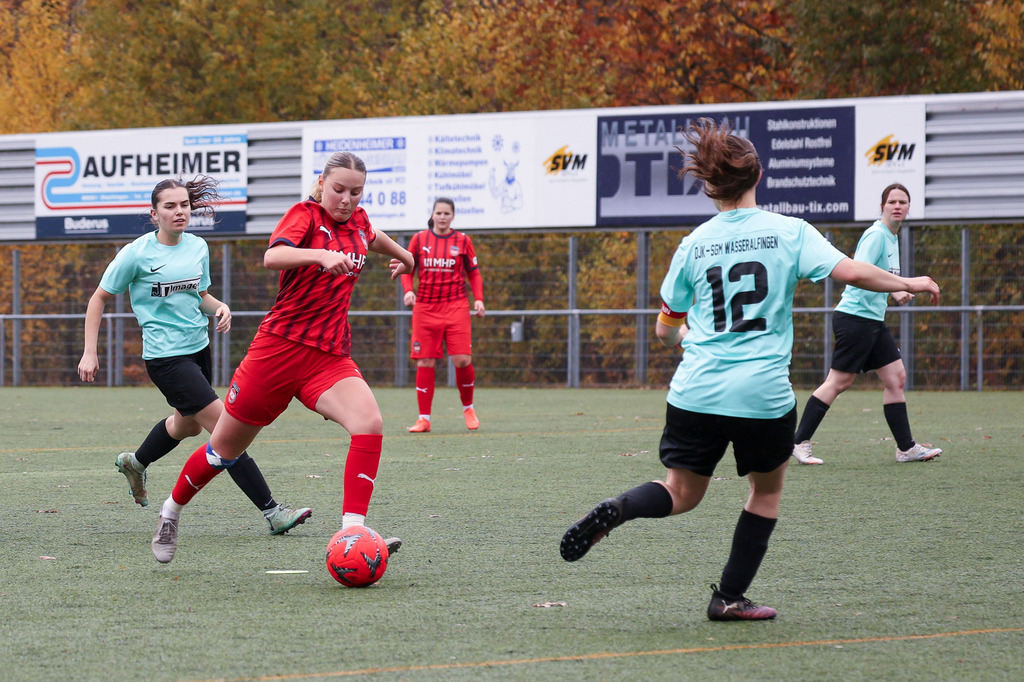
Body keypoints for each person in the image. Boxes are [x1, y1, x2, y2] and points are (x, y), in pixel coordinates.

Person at [559, 118, 940, 621]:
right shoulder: (790, 231)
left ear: (710, 186)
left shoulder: (693, 243)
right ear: (757, 177)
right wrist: (909, 280)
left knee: (680, 492)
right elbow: (852, 271)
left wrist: (687, 338)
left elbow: (665, 330)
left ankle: (621, 509)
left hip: (696, 392)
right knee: (765, 492)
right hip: (762, 395)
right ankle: (729, 597)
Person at [149, 151, 414, 564]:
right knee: (223, 451)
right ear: (322, 183)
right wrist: (320, 255)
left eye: (356, 192)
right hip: (276, 353)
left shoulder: (359, 222)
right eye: (339, 189)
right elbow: (273, 255)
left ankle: (352, 531)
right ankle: (171, 511)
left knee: (370, 423)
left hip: (328, 357)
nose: (346, 199)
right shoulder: (305, 215)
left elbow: (373, 238)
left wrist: (408, 257)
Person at [78, 176, 311, 535]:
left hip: (199, 351)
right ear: (154, 213)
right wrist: (89, 352)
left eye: (184, 204)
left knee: (186, 425)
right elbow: (98, 299)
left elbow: (198, 295)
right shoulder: (136, 253)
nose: (179, 211)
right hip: (166, 359)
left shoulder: (198, 247)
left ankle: (135, 462)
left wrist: (220, 307)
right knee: (226, 430)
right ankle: (273, 512)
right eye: (169, 206)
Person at [791, 183, 943, 466]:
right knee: (840, 381)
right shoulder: (876, 235)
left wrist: (893, 290)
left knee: (895, 377)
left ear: (909, 208)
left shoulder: (892, 237)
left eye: (903, 202)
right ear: (882, 206)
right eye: (892, 202)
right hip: (855, 319)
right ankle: (799, 441)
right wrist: (904, 284)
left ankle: (906, 448)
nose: (897, 206)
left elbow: (878, 277)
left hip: (873, 321)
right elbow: (857, 274)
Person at [400, 198, 486, 433]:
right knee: (425, 361)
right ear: (433, 215)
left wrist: (478, 298)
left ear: (453, 216)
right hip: (426, 308)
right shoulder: (419, 239)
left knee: (462, 359)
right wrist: (408, 291)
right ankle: (424, 419)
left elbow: (474, 274)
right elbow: (406, 268)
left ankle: (468, 408)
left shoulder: (463, 240)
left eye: (447, 213)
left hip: (455, 306)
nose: (442, 217)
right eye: (438, 212)